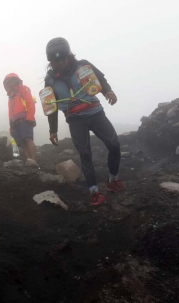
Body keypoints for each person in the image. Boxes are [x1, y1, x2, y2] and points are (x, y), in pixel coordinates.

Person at [44, 37, 123, 206]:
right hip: (75, 120)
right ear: (50, 61)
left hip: (95, 113)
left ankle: (113, 180)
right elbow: (51, 106)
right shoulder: (50, 80)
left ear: (69, 56)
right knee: (85, 154)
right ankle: (94, 191)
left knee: (114, 145)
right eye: (56, 60)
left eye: (63, 58)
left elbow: (100, 79)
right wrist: (53, 130)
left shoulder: (83, 66)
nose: (61, 63)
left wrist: (108, 91)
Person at [3, 73, 38, 166]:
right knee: (22, 143)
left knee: (28, 139)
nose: (9, 84)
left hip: (25, 119)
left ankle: (34, 160)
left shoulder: (24, 89)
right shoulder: (11, 97)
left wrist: (30, 116)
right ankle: (29, 161)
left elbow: (30, 103)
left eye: (10, 81)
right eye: (7, 82)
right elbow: (10, 113)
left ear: (16, 80)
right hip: (15, 123)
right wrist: (11, 127)